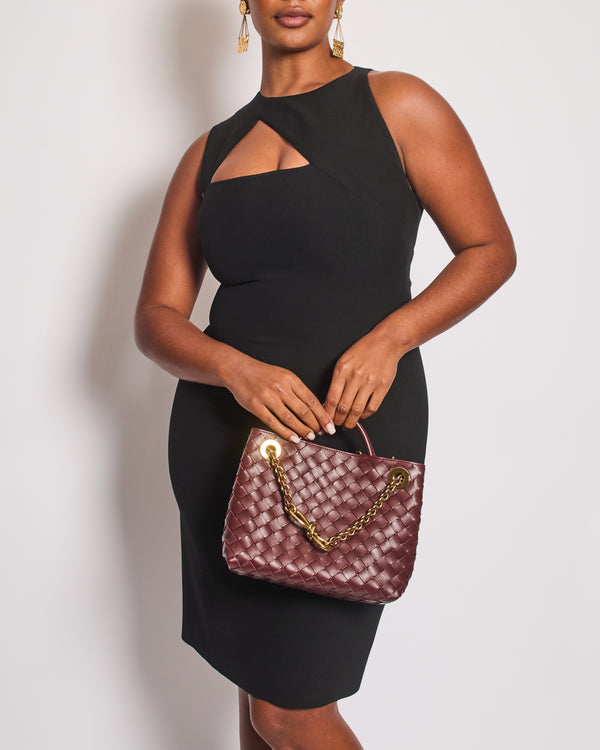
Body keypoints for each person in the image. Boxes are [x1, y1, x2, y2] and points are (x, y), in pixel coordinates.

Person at [134, 1, 516, 748]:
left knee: (289, 711)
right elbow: (156, 318)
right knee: (257, 702)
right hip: (222, 441)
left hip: (349, 432)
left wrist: (393, 339)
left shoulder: (398, 103)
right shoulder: (208, 152)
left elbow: (489, 249)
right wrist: (233, 369)